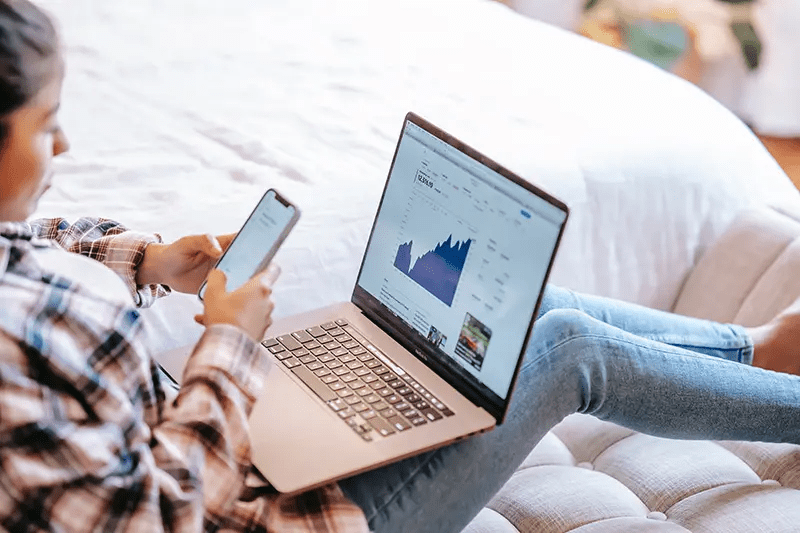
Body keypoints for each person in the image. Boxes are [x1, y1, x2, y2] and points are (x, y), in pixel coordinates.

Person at [0, 1, 798, 532]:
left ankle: (757, 350)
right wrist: (230, 347)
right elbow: (155, 519)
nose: (64, 149)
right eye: (48, 126)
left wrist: (146, 256)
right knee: (567, 352)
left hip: (229, 447)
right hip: (276, 516)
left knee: (522, 313)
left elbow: (39, 234)